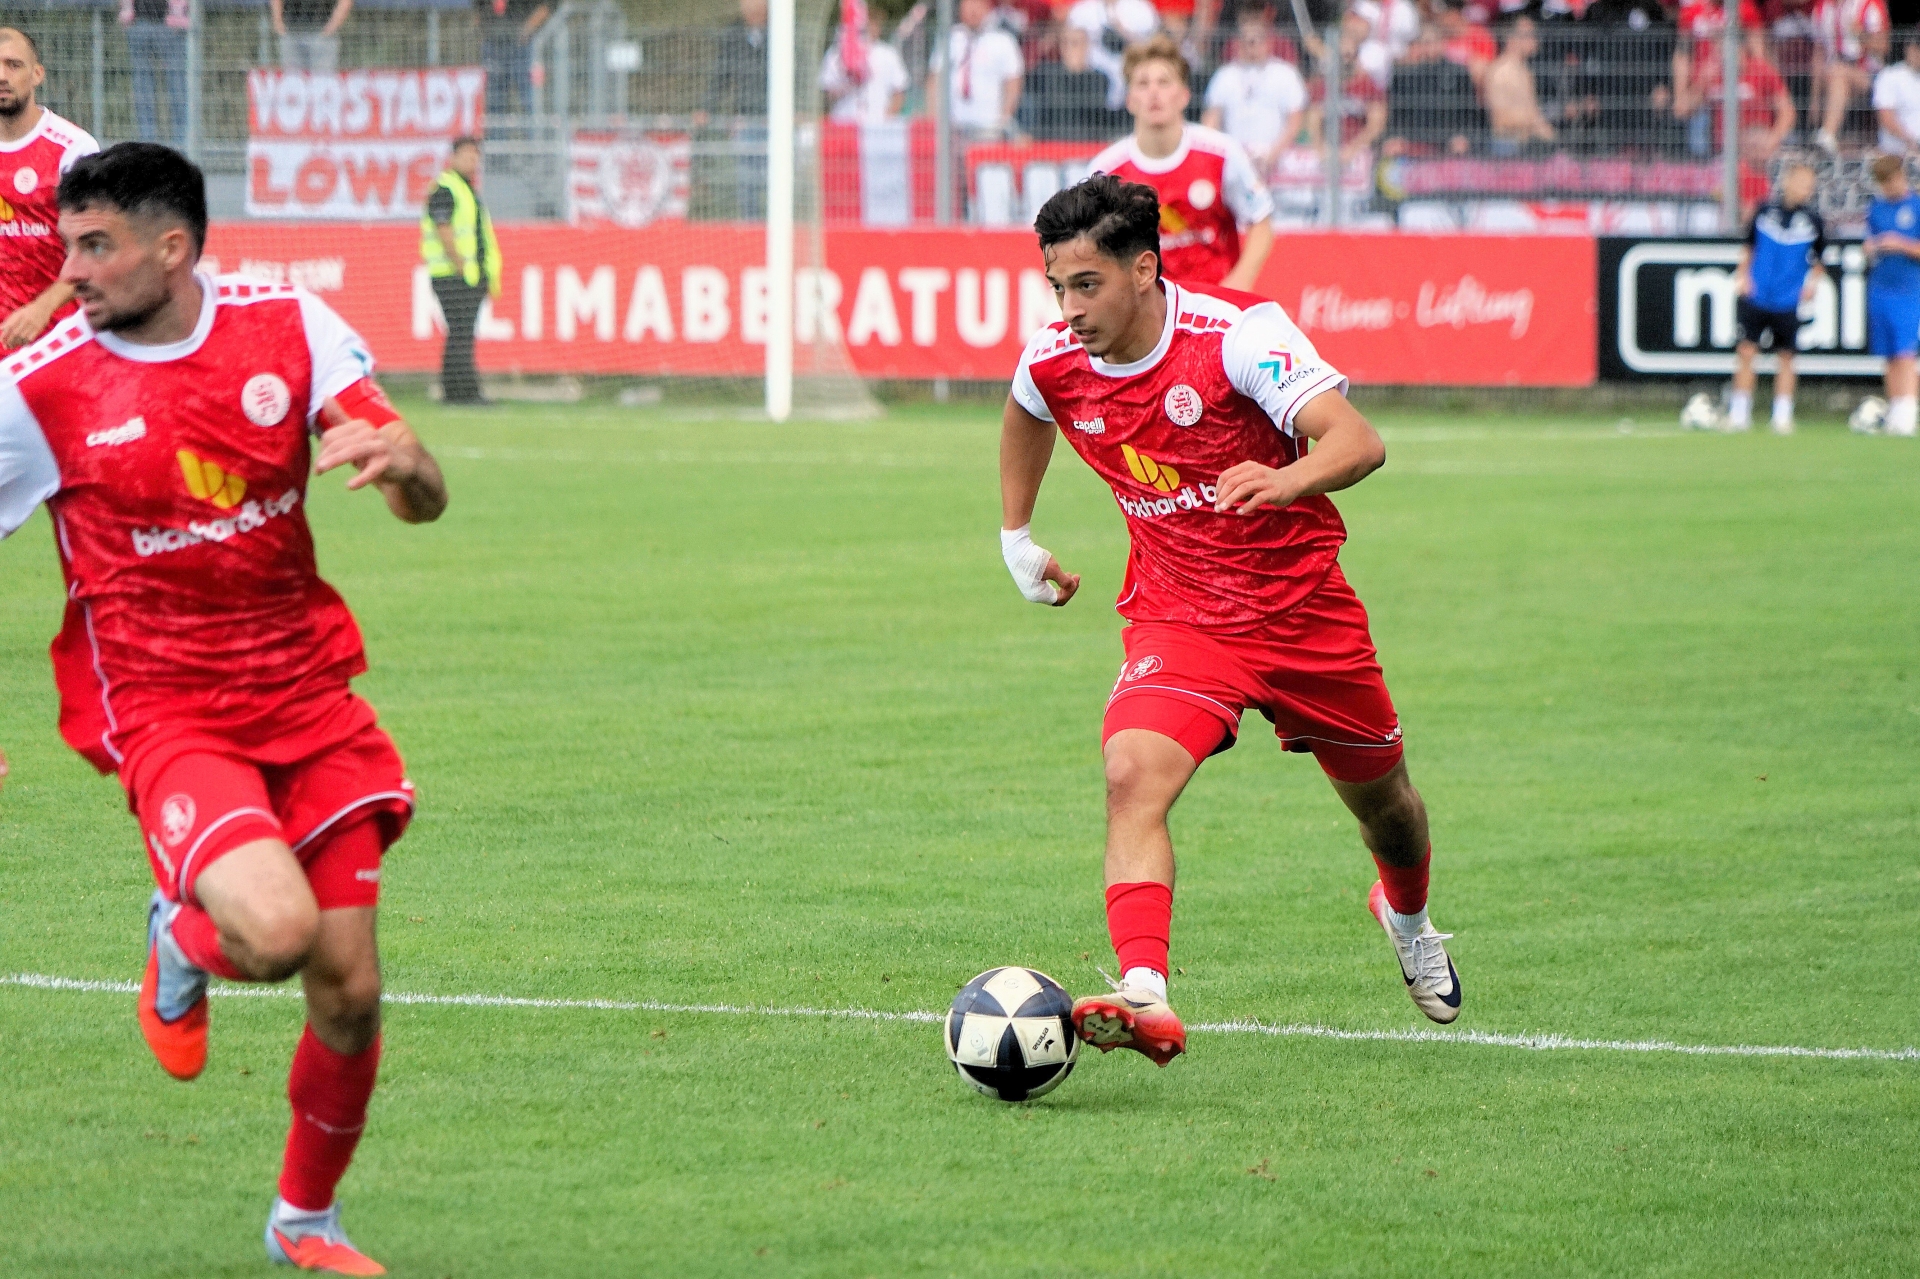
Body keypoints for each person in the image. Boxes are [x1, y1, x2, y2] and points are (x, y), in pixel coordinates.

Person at [0, 142, 447, 1274]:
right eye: (67, 244)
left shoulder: (289, 327)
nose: (71, 270)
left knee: (350, 988)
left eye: (95, 246)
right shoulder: (39, 389)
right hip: (167, 709)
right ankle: (181, 932)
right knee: (280, 932)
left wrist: (407, 465)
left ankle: (304, 1220)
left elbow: (421, 493)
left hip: (307, 692)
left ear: (174, 248)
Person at [998, 174, 1461, 1065]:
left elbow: (1359, 440)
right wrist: (1016, 534)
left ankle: (1408, 918)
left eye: (1087, 283)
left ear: (1144, 269)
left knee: (1388, 809)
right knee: (1131, 772)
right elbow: (1026, 407)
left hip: (1304, 614)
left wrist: (1287, 479)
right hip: (1181, 618)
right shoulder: (1055, 356)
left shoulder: (1237, 336)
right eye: (1057, 286)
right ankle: (1144, 990)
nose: (1069, 307)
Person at [1089, 36, 1273, 289]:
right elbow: (1091, 245)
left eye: (1164, 82)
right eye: (1143, 83)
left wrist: (1238, 284)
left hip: (1213, 302)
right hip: (1146, 307)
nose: (1154, 92)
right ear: (1129, 100)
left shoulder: (1222, 154)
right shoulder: (1106, 171)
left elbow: (1261, 221)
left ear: (1184, 96)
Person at [0, 27, 99, 349]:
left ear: (37, 74)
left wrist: (42, 309)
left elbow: (97, 248)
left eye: (13, 65)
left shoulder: (73, 149)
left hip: (56, 339)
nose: (2, 76)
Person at [1726, 161, 1826, 433]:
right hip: (1757, 294)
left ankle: (1782, 415)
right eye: (1802, 183)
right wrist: (1743, 276)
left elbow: (1820, 259)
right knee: (1746, 351)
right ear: (1788, 181)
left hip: (1788, 300)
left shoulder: (1813, 221)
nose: (1806, 189)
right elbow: (1749, 247)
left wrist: (1811, 284)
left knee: (1786, 356)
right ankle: (1739, 412)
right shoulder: (1763, 211)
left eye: (1810, 185)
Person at [422, 137, 501, 408]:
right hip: (453, 276)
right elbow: (443, 228)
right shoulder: (445, 188)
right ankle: (464, 392)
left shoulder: (466, 189)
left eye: (475, 156)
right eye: (467, 155)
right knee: (461, 334)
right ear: (453, 157)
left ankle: (456, 391)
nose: (472, 161)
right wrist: (460, 266)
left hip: (468, 275)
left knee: (460, 334)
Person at [1201, 8, 1307, 178]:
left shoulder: (1286, 74)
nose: (1252, 46)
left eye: (1257, 40)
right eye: (1247, 41)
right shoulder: (1224, 76)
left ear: (1268, 42)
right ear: (1238, 42)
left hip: (1278, 159)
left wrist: (1273, 155)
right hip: (1234, 160)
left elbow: (1295, 121)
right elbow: (1211, 121)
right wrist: (1226, 154)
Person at [1863, 152, 1920, 435]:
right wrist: (1871, 247)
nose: (1890, 187)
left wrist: (1900, 244)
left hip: (1909, 289)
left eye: (1892, 180)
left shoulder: (1916, 207)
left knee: (1905, 351)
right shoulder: (1876, 208)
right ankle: (1895, 411)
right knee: (1888, 353)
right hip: (1880, 287)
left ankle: (1909, 412)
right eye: (1884, 183)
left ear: (1901, 176)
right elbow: (1869, 243)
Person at [1305, 12, 1389, 166]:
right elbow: (1313, 118)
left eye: (1350, 56)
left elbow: (1376, 123)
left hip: (1358, 153)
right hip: (1327, 152)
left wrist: (1352, 149)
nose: (1345, 61)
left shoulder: (1368, 85)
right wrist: (1320, 148)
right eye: (1341, 56)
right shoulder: (1322, 85)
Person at [935, 0, 1025, 138]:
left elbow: (1013, 82)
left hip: (988, 124)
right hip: (952, 125)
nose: (973, 11)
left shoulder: (1002, 40)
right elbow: (935, 79)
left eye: (978, 5)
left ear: (988, 8)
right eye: (968, 5)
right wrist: (934, 118)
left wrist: (1004, 117)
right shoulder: (950, 38)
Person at [1809, 0, 1888, 153]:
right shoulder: (1820, 9)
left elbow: (1883, 46)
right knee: (1837, 74)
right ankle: (1830, 138)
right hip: (1833, 74)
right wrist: (1815, 97)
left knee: (1838, 72)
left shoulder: (1869, 4)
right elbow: (1818, 54)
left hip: (1867, 74)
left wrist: (1861, 35)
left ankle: (1827, 135)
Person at [1021, 24, 1122, 140]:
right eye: (1064, 43)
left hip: (1086, 142)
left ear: (1086, 46)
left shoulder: (1099, 79)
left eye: (1074, 43)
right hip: (1052, 142)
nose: (1068, 48)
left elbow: (1095, 116)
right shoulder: (1046, 75)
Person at [821, 8, 910, 124]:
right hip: (844, 123)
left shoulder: (888, 54)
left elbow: (899, 92)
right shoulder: (836, 53)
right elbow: (827, 92)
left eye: (874, 24)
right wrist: (850, 81)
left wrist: (886, 120)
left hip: (876, 126)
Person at [1067, 0, 1161, 108]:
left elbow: (1151, 41)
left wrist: (1122, 31)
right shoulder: (1082, 9)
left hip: (1130, 59)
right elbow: (1072, 39)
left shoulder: (1140, 7)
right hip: (1094, 66)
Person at [120, 0, 189, 147]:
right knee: (148, 91)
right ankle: (171, 146)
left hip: (166, 23)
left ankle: (176, 145)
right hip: (144, 22)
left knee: (175, 89)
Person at [1485, 15, 1554, 155]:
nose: (1535, 40)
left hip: (1529, 142)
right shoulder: (1500, 71)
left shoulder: (1524, 71)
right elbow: (1499, 118)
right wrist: (1533, 120)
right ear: (1512, 38)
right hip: (1508, 145)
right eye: (1529, 35)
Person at [476, 0, 550, 116]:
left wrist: (526, 30)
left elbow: (546, 6)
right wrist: (484, 32)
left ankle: (534, 127)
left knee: (529, 96)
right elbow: (478, 9)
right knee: (494, 100)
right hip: (493, 45)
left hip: (522, 45)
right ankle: (497, 128)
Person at [271, 0, 353, 73]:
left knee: (322, 81)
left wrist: (330, 29)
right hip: (291, 34)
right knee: (292, 80)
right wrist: (278, 22)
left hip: (322, 37)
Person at [1871, 35, 1920, 154]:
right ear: (1909, 49)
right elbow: (1886, 117)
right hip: (1899, 152)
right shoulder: (1890, 75)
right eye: (1917, 48)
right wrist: (1911, 141)